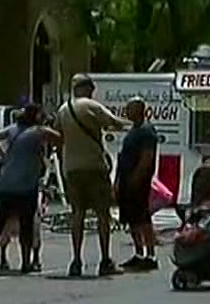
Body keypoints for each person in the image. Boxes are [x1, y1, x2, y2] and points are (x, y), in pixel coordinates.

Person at [57, 74, 130, 277]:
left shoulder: (63, 110)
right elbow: (114, 123)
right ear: (87, 88)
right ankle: (105, 259)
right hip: (94, 167)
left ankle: (76, 260)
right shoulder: (92, 106)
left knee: (77, 214)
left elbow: (58, 135)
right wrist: (130, 123)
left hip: (71, 168)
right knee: (102, 214)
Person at [0, 104, 58, 274]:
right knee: (26, 223)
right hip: (26, 185)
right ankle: (26, 262)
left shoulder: (12, 130)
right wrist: (49, 123)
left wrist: (4, 155)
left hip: (6, 184)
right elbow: (59, 138)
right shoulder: (38, 131)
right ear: (35, 116)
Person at [114, 97, 160, 271]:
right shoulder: (132, 130)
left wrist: (137, 177)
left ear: (139, 110)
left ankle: (150, 255)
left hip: (138, 182)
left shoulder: (147, 131)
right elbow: (122, 158)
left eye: (130, 108)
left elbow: (147, 158)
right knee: (131, 219)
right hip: (126, 180)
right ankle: (139, 253)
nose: (127, 111)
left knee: (143, 218)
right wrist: (118, 181)